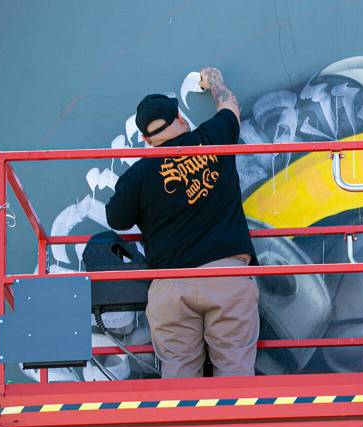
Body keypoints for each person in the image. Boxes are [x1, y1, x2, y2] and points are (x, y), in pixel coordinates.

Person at [105, 67, 259, 378]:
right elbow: (230, 106)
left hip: (172, 286)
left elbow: (116, 218)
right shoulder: (213, 137)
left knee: (179, 390)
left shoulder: (139, 175)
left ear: (147, 139)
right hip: (226, 279)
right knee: (236, 384)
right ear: (180, 119)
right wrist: (213, 80)